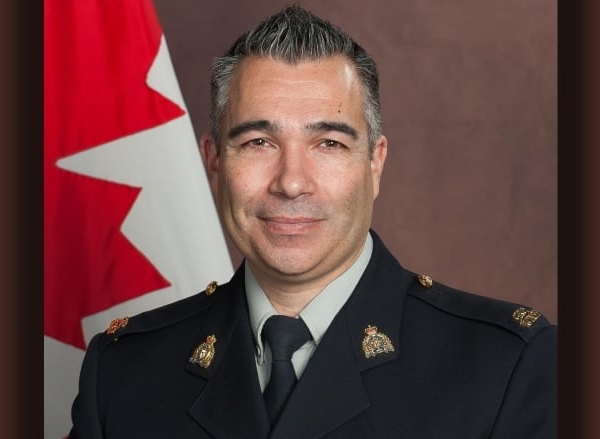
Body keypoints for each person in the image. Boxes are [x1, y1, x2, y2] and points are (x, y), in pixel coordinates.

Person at [69, 6, 556, 438]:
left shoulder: (505, 366)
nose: (292, 182)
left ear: (375, 163)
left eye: (330, 144)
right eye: (258, 141)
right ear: (214, 161)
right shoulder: (121, 373)